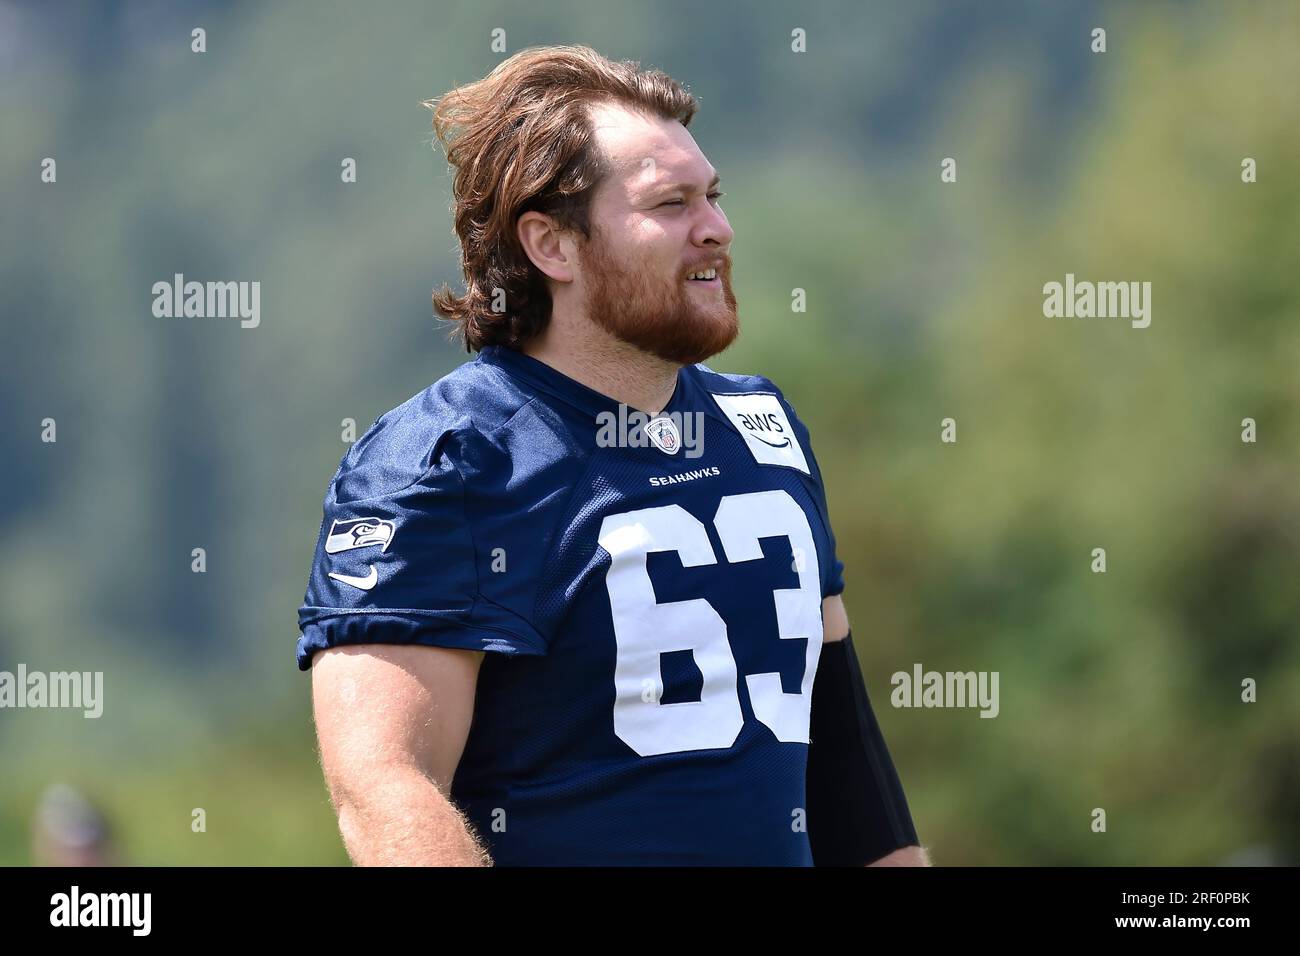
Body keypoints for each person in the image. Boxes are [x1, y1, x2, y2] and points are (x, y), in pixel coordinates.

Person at [297, 44, 924, 866]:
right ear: (551, 246)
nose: (718, 228)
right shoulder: (444, 464)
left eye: (714, 196)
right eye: (670, 203)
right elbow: (384, 791)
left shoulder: (761, 424)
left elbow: (841, 745)